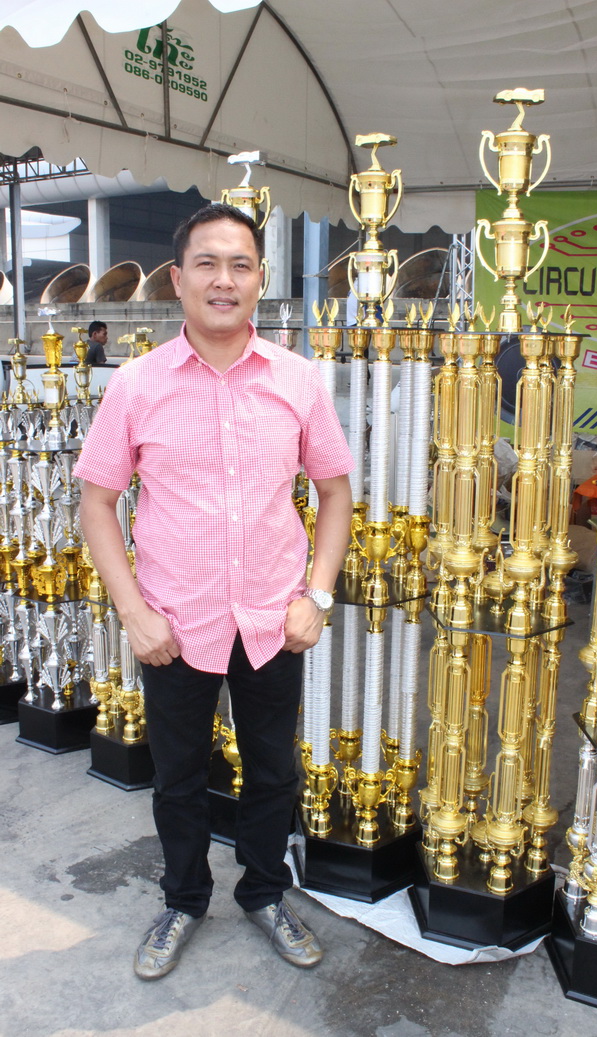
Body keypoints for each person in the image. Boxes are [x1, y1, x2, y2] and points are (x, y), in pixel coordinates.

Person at [74, 204, 353, 980]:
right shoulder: (137, 384)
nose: (223, 279)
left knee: (273, 773)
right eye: (207, 263)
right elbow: (97, 503)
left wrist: (317, 597)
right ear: (178, 279)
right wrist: (133, 612)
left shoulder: (296, 380)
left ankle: (264, 892)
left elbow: (335, 493)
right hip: (173, 624)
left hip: (273, 620)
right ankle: (184, 899)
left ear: (259, 279)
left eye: (239, 264)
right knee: (178, 778)